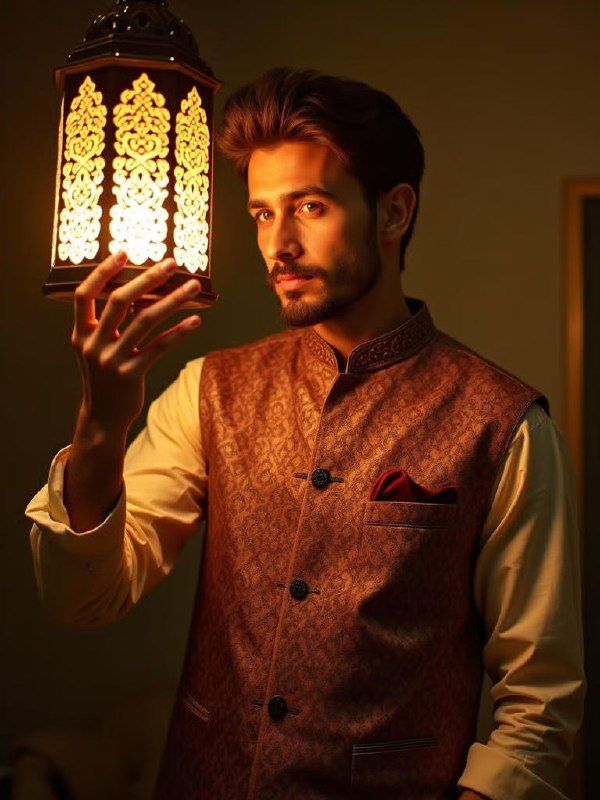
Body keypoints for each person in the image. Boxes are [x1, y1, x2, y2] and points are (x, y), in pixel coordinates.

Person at [25, 67, 585, 800]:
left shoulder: (504, 425)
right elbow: (82, 597)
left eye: (310, 207)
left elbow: (541, 705)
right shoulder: (210, 389)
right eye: (262, 214)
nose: (278, 244)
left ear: (394, 213)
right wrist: (101, 424)